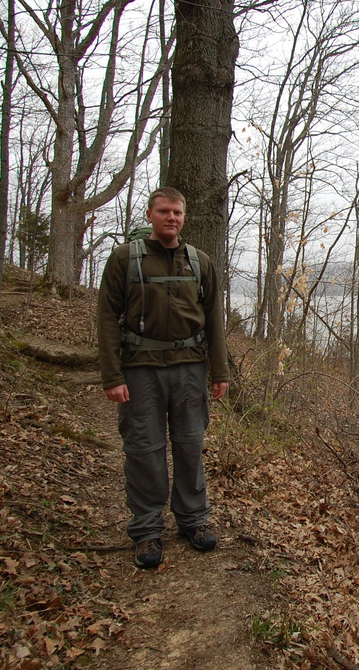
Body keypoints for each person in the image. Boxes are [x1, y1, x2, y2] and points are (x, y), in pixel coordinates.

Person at [97, 187, 230, 569]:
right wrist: (112, 375)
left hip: (190, 369)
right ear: (150, 215)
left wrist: (219, 371)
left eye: (177, 212)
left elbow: (214, 318)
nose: (171, 218)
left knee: (190, 445)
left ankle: (192, 520)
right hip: (141, 371)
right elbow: (106, 316)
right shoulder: (125, 259)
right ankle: (146, 529)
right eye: (164, 211)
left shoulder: (199, 262)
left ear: (184, 217)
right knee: (144, 448)